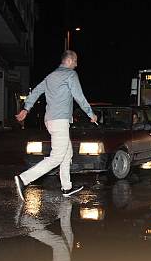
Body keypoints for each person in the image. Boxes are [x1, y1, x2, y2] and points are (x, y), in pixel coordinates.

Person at [14, 50, 97, 199]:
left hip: (50, 120)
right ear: (70, 61)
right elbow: (79, 96)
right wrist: (91, 114)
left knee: (67, 153)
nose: (77, 64)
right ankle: (23, 179)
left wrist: (26, 108)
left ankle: (67, 188)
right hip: (60, 121)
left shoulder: (50, 76)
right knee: (57, 157)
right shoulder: (70, 75)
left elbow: (35, 92)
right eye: (76, 61)